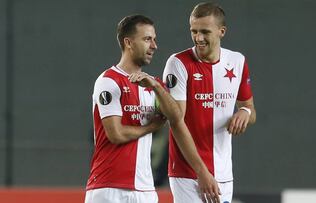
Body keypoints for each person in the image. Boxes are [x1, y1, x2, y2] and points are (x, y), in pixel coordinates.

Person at [84, 14, 220, 203]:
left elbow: (176, 117)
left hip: (145, 190)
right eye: (147, 39)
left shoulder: (152, 86)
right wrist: (150, 127)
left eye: (154, 40)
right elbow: (116, 134)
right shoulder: (109, 81)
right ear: (128, 43)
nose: (154, 46)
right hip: (109, 188)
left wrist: (156, 87)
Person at [163, 2, 257, 203]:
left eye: (205, 31)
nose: (198, 38)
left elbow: (250, 109)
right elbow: (176, 122)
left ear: (222, 31)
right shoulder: (178, 63)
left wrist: (245, 113)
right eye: (194, 31)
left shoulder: (237, 61)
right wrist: (202, 172)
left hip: (223, 174)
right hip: (188, 173)